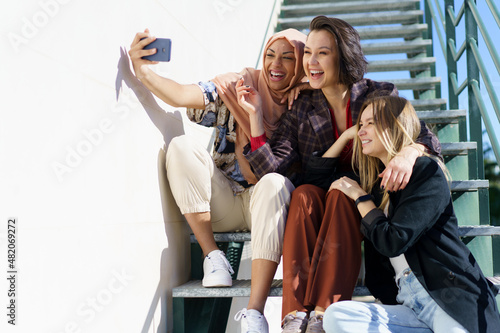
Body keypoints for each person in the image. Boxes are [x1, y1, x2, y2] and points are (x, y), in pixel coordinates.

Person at [238, 16, 441, 333]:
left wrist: (408, 152)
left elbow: (425, 138)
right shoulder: (303, 105)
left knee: (341, 192)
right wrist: (255, 117)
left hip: (366, 200)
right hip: (319, 197)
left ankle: (323, 310)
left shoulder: (378, 94)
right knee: (303, 194)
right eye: (308, 53)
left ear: (343, 56)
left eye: (323, 53)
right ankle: (294, 316)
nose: (311, 62)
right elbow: (272, 169)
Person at [128, 28, 307, 332]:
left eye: (288, 58)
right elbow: (182, 94)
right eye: (270, 55)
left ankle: (254, 312)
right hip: (223, 201)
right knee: (180, 146)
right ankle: (213, 256)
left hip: (268, 209)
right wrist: (142, 71)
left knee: (273, 182)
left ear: (301, 65)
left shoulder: (305, 104)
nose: (276, 64)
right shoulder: (238, 86)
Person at [323, 95, 500, 333]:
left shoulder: (425, 172)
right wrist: (345, 136)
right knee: (337, 316)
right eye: (359, 125)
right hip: (406, 304)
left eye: (370, 123)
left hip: (445, 299)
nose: (361, 132)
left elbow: (393, 241)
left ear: (395, 125)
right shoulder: (376, 184)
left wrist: (361, 198)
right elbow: (316, 178)